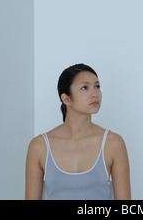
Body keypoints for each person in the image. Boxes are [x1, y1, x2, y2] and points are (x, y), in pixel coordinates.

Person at [25, 63, 131, 200]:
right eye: (85, 88)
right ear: (66, 99)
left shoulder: (114, 144)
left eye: (97, 86)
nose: (95, 94)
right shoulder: (39, 147)